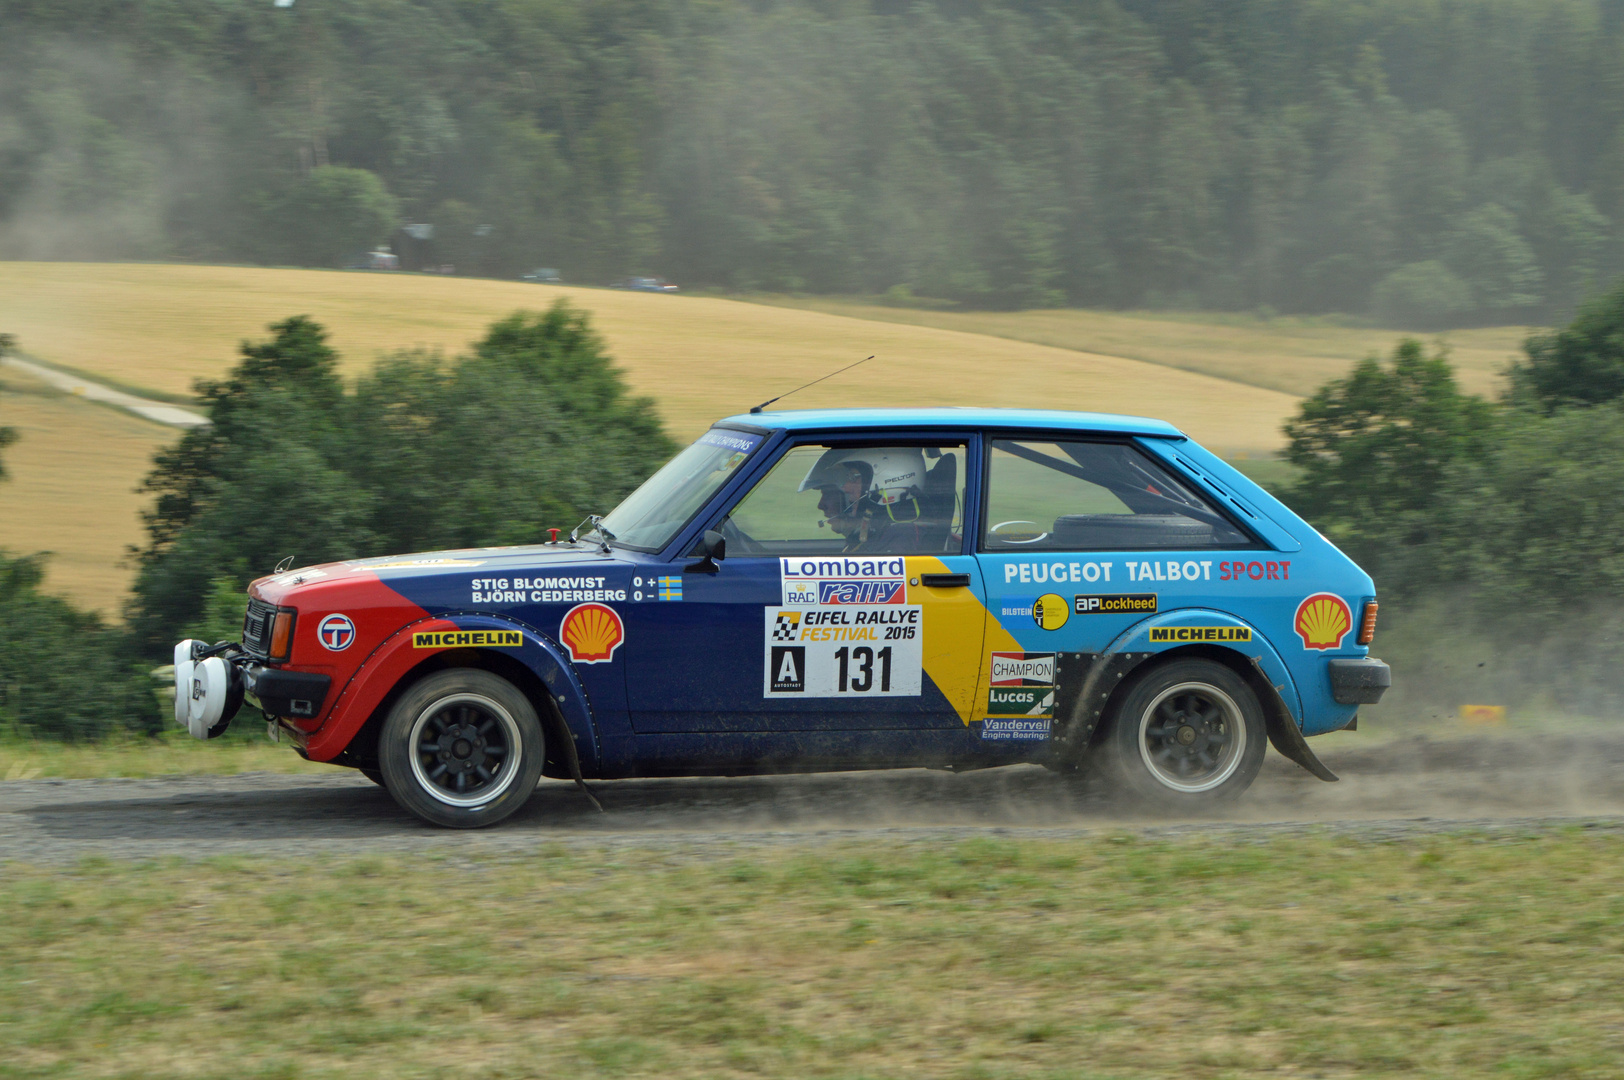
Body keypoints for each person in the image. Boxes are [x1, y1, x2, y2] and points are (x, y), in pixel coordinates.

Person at [799, 448, 933, 552]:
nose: (845, 487)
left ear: (886, 483)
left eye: (853, 478)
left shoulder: (900, 538)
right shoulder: (879, 532)